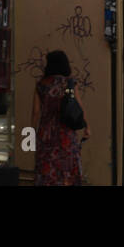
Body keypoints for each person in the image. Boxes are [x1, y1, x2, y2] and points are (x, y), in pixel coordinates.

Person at [31, 50, 88, 185]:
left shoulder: (41, 85)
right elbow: (79, 107)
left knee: (47, 171)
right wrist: (88, 127)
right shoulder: (70, 83)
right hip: (66, 134)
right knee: (67, 170)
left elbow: (35, 112)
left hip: (46, 135)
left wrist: (30, 134)